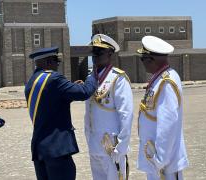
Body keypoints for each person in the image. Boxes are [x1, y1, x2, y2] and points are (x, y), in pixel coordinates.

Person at [24, 47, 97, 180]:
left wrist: (70, 88)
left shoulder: (31, 82)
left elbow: (51, 103)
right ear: (48, 62)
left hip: (40, 149)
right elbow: (84, 93)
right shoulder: (54, 79)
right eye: (56, 61)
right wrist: (92, 76)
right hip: (57, 149)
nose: (58, 65)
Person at [136, 36, 189, 180]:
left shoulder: (167, 82)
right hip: (155, 157)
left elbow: (168, 123)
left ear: (152, 59)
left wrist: (160, 159)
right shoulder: (159, 79)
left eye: (143, 59)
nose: (142, 63)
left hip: (164, 163)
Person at [84, 34, 133, 180]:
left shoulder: (118, 79)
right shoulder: (90, 79)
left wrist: (122, 147)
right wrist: (89, 139)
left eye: (100, 52)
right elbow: (88, 114)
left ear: (110, 54)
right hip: (94, 145)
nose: (95, 56)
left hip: (111, 146)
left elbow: (126, 114)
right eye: (93, 52)